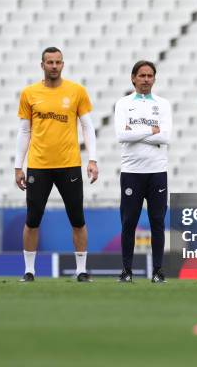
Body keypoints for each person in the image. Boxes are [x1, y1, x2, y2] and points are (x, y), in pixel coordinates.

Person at [14, 47, 98, 282]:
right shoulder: (29, 93)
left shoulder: (76, 91)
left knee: (77, 218)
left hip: (69, 164)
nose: (54, 66)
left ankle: (81, 270)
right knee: (32, 219)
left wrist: (93, 159)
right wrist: (17, 166)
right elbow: (24, 130)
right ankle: (29, 270)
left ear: (63, 64)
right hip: (39, 166)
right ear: (42, 65)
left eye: (58, 62)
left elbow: (88, 126)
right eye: (49, 62)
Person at [114, 61, 172, 283]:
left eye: (150, 76)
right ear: (133, 78)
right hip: (131, 171)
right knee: (129, 222)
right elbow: (121, 135)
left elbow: (165, 136)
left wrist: (136, 131)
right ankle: (127, 271)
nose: (146, 79)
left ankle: (157, 271)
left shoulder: (163, 104)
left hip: (157, 170)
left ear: (154, 79)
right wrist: (151, 130)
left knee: (157, 221)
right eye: (142, 75)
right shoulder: (123, 104)